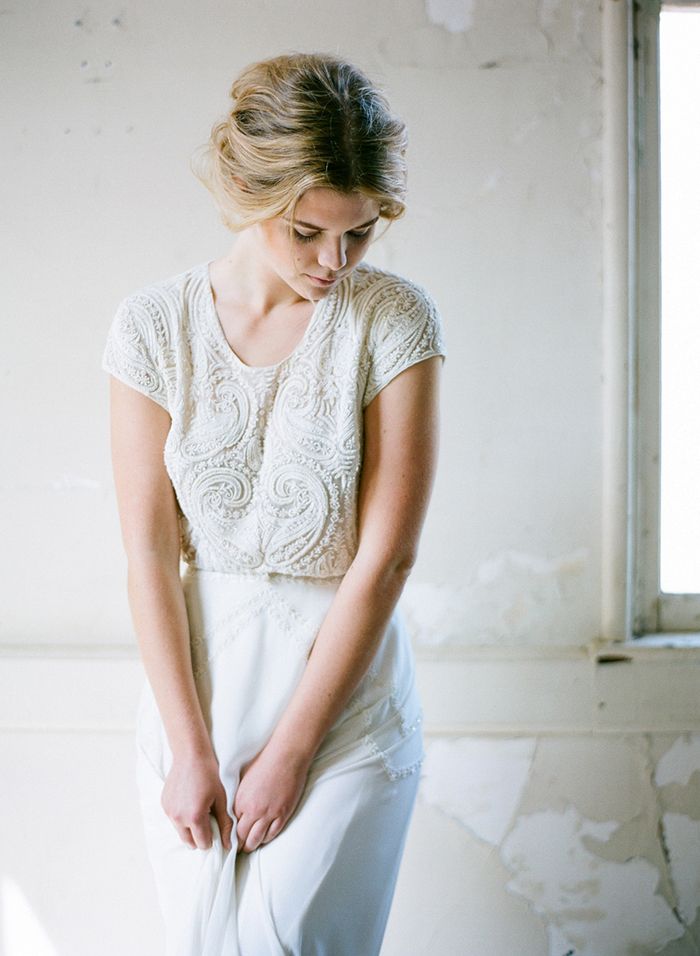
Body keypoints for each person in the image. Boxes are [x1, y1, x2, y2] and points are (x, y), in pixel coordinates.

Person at [102, 51, 446, 956]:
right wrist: (189, 750)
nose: (335, 262)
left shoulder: (394, 320)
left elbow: (387, 559)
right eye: (307, 232)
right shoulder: (151, 327)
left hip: (343, 694)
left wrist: (293, 751)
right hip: (196, 691)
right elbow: (147, 554)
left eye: (360, 233)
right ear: (249, 198)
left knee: (292, 942)